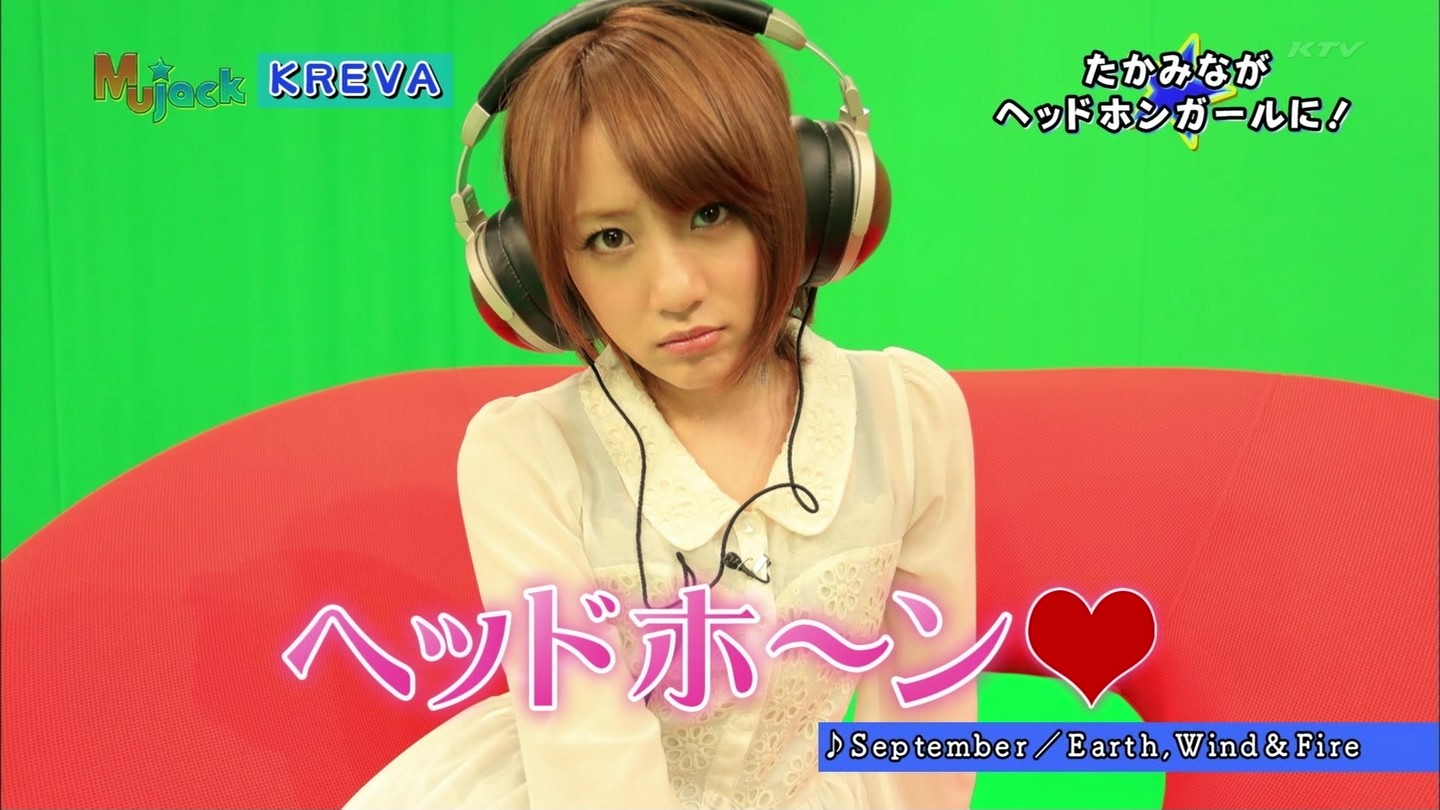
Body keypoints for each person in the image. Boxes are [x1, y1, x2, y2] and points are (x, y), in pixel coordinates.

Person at [345, 1, 976, 808]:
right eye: (609, 239)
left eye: (710, 214)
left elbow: (920, 747)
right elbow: (593, 770)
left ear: (804, 200)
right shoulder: (526, 458)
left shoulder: (911, 418)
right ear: (541, 276)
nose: (675, 290)